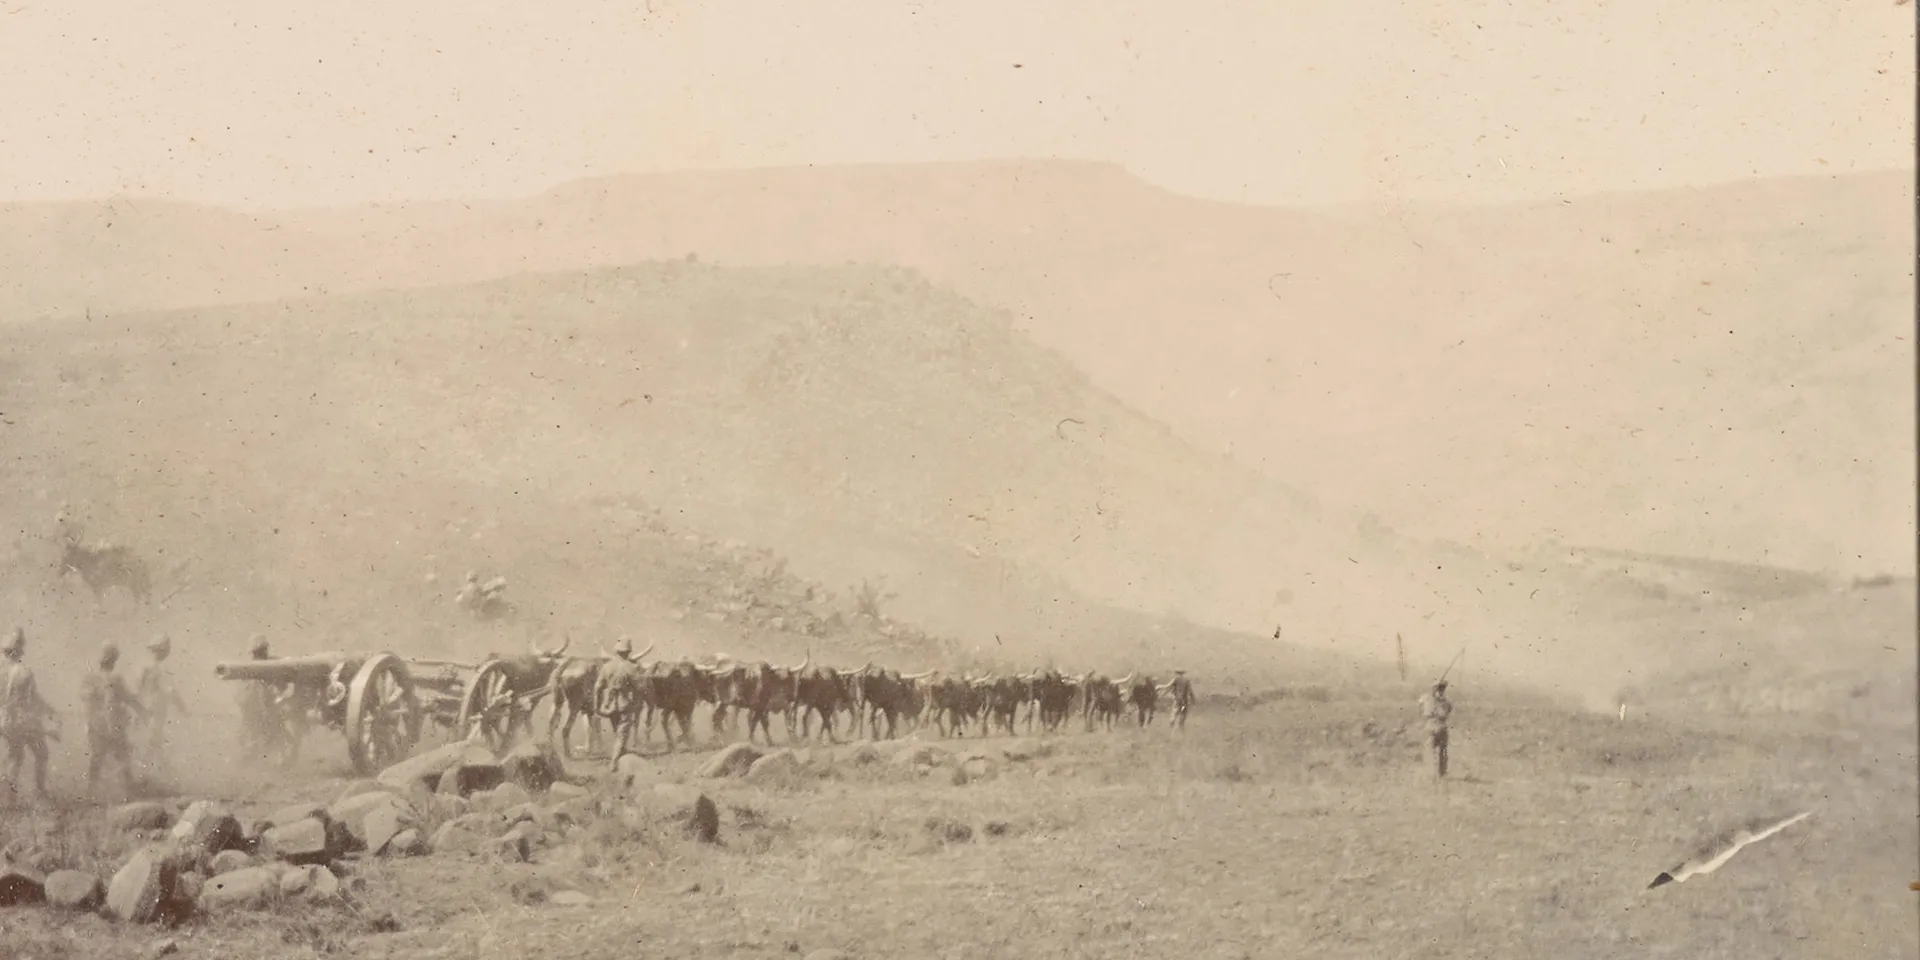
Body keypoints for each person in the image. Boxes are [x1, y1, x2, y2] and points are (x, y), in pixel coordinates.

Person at [83, 643, 147, 799]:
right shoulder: (115, 678)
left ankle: (90, 791)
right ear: (113, 660)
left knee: (96, 758)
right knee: (123, 757)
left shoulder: (90, 677)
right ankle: (129, 790)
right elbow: (129, 698)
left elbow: (85, 698)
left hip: (95, 725)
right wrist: (143, 712)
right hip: (112, 725)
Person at [0, 628, 56, 804]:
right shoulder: (24, 671)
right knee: (42, 753)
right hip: (21, 720)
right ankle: (40, 792)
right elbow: (33, 699)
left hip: (5, 720)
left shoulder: (1, 670)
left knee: (15, 756)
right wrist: (50, 711)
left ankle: (9, 799)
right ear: (19, 649)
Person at [137, 633, 188, 778]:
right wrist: (182, 707)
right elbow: (171, 691)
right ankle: (145, 775)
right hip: (156, 711)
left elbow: (138, 690)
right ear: (163, 651)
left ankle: (163, 774)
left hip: (145, 709)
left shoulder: (144, 667)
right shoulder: (160, 669)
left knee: (156, 744)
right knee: (154, 744)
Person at [1417, 680, 1454, 783]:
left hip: (1441, 727)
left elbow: (1449, 708)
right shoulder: (1427, 698)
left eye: (1442, 688)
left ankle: (1442, 774)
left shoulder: (1446, 700)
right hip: (1431, 727)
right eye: (1439, 688)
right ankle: (1431, 774)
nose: (1441, 690)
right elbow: (1420, 705)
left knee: (1443, 752)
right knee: (1430, 751)